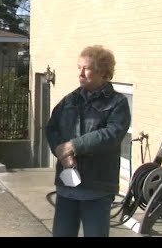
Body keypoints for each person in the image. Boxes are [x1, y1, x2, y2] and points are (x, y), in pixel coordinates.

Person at [45, 45, 131, 237]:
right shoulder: (70, 100)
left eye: (87, 68)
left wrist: (72, 147)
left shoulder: (117, 103)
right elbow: (52, 128)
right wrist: (61, 152)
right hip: (67, 187)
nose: (81, 73)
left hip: (97, 187)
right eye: (79, 67)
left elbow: (112, 134)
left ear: (102, 71)